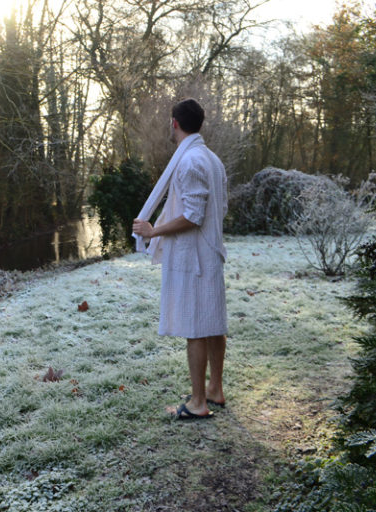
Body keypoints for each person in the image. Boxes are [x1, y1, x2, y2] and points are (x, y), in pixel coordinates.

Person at [131, 98, 228, 420]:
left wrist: (152, 230)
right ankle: (215, 389)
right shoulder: (212, 159)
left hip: (195, 256)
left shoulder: (189, 162)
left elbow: (193, 216)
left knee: (197, 326)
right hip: (210, 252)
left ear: (174, 123)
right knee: (213, 323)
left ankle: (198, 402)